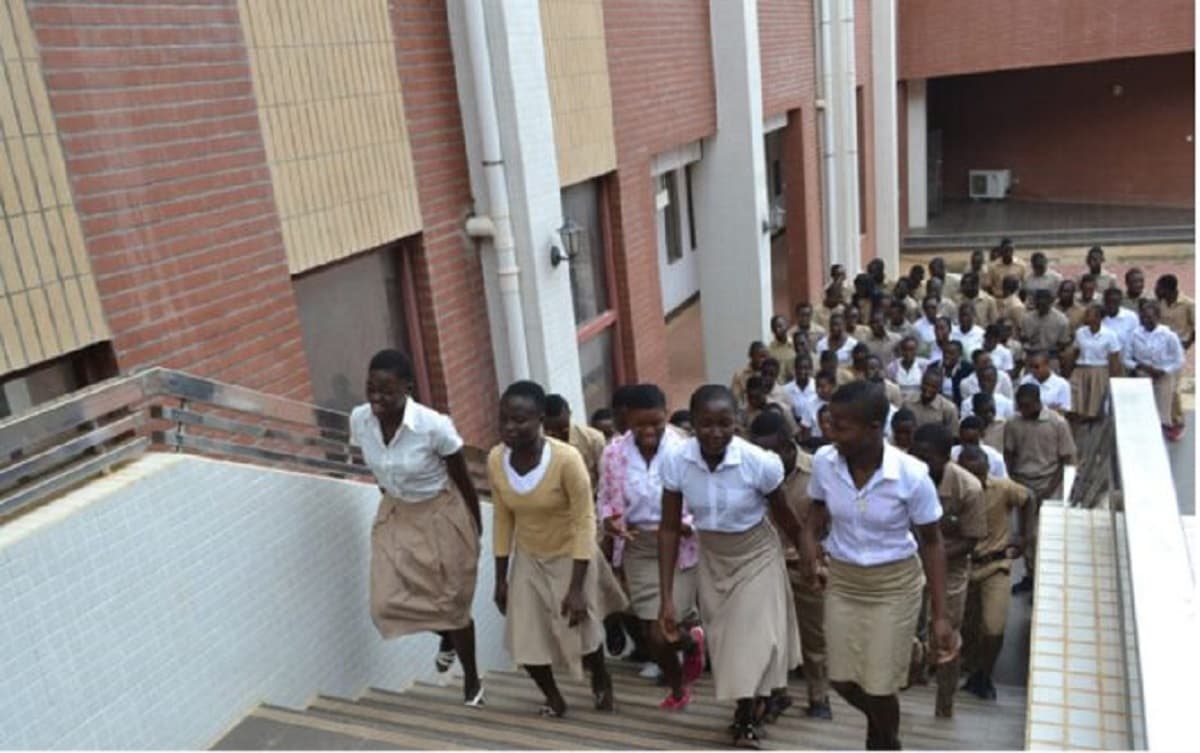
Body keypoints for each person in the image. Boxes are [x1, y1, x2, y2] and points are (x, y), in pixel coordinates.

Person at [801, 381, 953, 751]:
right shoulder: (825, 463)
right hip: (844, 582)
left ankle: (887, 742)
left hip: (894, 586)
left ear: (874, 427)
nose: (830, 432)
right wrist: (810, 552)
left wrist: (940, 616)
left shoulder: (911, 475)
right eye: (829, 422)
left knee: (881, 685)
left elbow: (932, 544)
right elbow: (814, 516)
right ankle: (883, 730)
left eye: (841, 425)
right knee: (842, 679)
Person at [658, 385, 802, 747]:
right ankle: (766, 696)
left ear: (738, 423)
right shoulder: (676, 460)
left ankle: (745, 717)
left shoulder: (759, 463)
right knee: (725, 641)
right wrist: (666, 597)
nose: (715, 432)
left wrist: (811, 558)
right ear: (692, 424)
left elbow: (788, 519)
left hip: (757, 554)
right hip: (714, 557)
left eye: (725, 423)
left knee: (751, 639)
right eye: (705, 424)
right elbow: (670, 528)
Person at [352, 349, 485, 705]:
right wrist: (393, 500)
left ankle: (472, 680)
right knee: (384, 604)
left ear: (407, 387)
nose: (377, 398)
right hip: (397, 511)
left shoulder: (433, 426)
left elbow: (464, 479)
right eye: (371, 389)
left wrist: (475, 526)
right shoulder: (359, 420)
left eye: (386, 391)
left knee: (454, 603)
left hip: (441, 511)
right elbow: (380, 471)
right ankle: (445, 633)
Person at [489, 381, 627, 717]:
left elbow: (584, 521)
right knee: (525, 638)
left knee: (580, 628)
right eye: (504, 419)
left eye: (519, 420)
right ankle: (553, 699)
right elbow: (503, 518)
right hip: (529, 556)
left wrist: (577, 587)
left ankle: (601, 679)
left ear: (539, 419)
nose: (510, 427)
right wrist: (500, 578)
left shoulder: (567, 460)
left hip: (572, 553)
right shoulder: (496, 459)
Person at [596, 385, 706, 710]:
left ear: (666, 415)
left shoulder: (686, 450)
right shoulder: (614, 452)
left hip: (680, 544)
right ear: (627, 419)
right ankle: (678, 686)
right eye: (639, 424)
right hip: (638, 545)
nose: (648, 431)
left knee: (663, 629)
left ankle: (691, 641)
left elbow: (704, 499)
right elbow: (605, 497)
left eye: (655, 423)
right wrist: (609, 521)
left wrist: (688, 524)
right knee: (651, 632)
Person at [750, 411, 833, 721]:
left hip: (806, 565)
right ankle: (776, 694)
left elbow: (833, 521)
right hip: (765, 565)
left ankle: (819, 696)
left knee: (814, 637)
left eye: (771, 450)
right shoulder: (753, 471)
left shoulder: (817, 472)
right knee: (770, 637)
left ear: (788, 445)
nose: (765, 456)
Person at [909, 423, 985, 718]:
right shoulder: (907, 477)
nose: (919, 462)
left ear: (945, 457)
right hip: (908, 562)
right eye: (915, 455)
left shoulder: (969, 488)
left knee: (946, 637)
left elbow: (970, 539)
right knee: (906, 629)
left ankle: (945, 703)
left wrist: (932, 557)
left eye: (927, 457)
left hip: (950, 568)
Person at [957, 445, 1031, 701]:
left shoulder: (1002, 488)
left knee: (993, 626)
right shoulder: (954, 491)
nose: (975, 481)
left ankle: (985, 676)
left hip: (995, 565)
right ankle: (969, 672)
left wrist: (1024, 537)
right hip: (963, 565)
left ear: (987, 469)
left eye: (979, 474)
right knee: (966, 626)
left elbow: (1028, 498)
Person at [1004, 384, 1076, 594]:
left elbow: (1066, 459)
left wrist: (1051, 489)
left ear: (1037, 402)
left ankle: (1045, 578)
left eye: (1026, 406)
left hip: (1047, 483)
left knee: (1044, 534)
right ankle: (1031, 574)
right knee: (1025, 533)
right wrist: (1013, 481)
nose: (1023, 410)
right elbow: (1009, 453)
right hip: (1022, 483)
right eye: (1020, 406)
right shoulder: (1013, 423)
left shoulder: (1057, 423)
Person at [1124, 300, 1186, 440]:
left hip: (1162, 377)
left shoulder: (1168, 335)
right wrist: (1140, 367)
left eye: (1149, 317)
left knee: (1161, 413)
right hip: (1142, 376)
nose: (1146, 321)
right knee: (1143, 412)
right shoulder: (1134, 334)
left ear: (1157, 317)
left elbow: (1179, 359)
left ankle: (1162, 439)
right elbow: (1126, 359)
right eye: (1143, 317)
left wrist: (1164, 370)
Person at [1155, 274, 1194, 437]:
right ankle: (1163, 418)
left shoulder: (1188, 304)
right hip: (1160, 349)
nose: (1156, 290)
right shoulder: (1159, 302)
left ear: (1169, 289)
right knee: (1163, 385)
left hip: (1177, 349)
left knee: (1175, 387)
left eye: (1159, 288)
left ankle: (1177, 420)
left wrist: (1187, 343)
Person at [1069, 303, 1123, 421]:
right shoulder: (1080, 332)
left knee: (1095, 407)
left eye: (1089, 314)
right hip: (1081, 370)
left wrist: (1113, 378)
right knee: (1076, 403)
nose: (1085, 316)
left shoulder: (1110, 335)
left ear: (1098, 318)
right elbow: (1075, 352)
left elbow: (1114, 359)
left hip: (1099, 371)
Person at [543, 394, 608, 489]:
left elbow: (605, 479)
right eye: (551, 432)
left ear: (569, 413)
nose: (558, 435)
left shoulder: (593, 439)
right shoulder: (537, 444)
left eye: (563, 430)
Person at [1020, 289, 1071, 368]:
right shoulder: (1027, 318)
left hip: (1051, 359)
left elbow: (1063, 343)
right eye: (1038, 302)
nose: (1041, 304)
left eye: (1044, 303)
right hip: (1031, 358)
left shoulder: (1061, 320)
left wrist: (1047, 351)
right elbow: (1023, 338)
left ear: (1051, 302)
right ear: (1035, 301)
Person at [799, 369, 839, 444]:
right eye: (817, 386)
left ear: (833, 386)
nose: (818, 390)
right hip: (816, 442)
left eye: (823, 387)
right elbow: (805, 430)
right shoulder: (810, 403)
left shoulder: (841, 402)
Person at [1101, 286, 1139, 352]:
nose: (1111, 305)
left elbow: (1136, 340)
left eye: (1115, 302)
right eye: (1109, 301)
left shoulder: (1131, 317)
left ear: (1120, 301)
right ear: (1104, 301)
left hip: (1125, 359)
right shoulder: (1099, 317)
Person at [732, 341, 770, 406]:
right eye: (761, 356)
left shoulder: (769, 374)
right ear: (751, 355)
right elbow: (735, 398)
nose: (763, 360)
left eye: (765, 357)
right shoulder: (740, 375)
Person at [784, 352, 818, 423]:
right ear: (795, 369)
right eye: (799, 368)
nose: (802, 371)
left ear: (811, 369)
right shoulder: (786, 389)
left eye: (806, 368)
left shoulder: (817, 387)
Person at [768, 315, 797, 382]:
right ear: (772, 330)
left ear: (787, 326)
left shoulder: (795, 345)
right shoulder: (770, 350)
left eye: (781, 326)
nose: (779, 329)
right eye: (776, 327)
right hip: (779, 386)